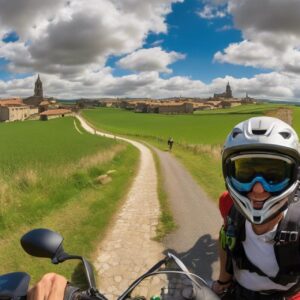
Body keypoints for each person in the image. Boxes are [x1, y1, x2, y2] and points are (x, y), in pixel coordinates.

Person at [212, 116, 300, 299]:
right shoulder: (228, 203)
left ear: (293, 176)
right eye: (245, 173)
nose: (258, 189)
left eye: (274, 175)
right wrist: (223, 280)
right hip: (237, 292)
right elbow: (227, 239)